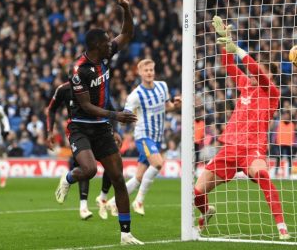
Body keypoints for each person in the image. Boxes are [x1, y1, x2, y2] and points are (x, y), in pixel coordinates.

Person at [54, 0, 143, 245]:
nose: (110, 43)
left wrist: (126, 9)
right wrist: (116, 115)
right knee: (90, 170)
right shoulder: (78, 71)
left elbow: (127, 34)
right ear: (95, 46)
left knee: (118, 178)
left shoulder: (105, 54)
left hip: (102, 127)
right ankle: (69, 178)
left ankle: (125, 233)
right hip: (81, 127)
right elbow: (86, 106)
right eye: (106, 41)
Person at [193, 16, 290, 240]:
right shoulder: (246, 84)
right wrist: (224, 39)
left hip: (253, 148)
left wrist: (235, 47)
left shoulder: (272, 93)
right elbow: (228, 65)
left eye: (262, 72)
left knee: (263, 174)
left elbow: (254, 69)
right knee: (197, 193)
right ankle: (206, 212)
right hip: (231, 148)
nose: (256, 75)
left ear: (270, 76)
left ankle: (281, 225)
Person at [106, 58, 181, 216]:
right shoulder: (135, 95)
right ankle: (138, 201)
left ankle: (113, 202)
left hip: (157, 136)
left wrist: (176, 105)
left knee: (139, 176)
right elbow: (125, 116)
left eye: (151, 70)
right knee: (158, 164)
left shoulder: (162, 86)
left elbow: (167, 107)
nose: (149, 73)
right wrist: (123, 124)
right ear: (139, 73)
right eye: (146, 70)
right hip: (143, 135)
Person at [46, 82, 116, 220]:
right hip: (78, 133)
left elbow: (110, 108)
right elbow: (51, 109)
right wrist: (49, 131)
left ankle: (103, 197)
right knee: (86, 168)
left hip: (100, 132)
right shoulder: (64, 89)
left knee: (113, 167)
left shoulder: (98, 87)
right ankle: (83, 206)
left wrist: (116, 131)